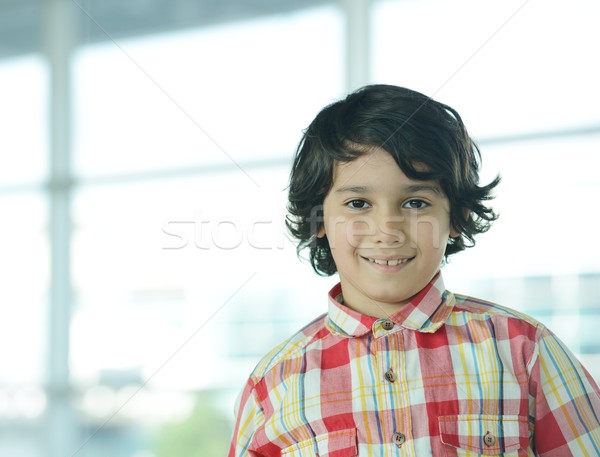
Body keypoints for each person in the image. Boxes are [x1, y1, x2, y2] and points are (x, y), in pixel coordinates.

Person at [227, 85, 600, 456]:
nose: (387, 228)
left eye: (415, 202)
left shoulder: (526, 351)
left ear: (456, 216)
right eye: (358, 203)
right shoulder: (274, 383)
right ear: (319, 218)